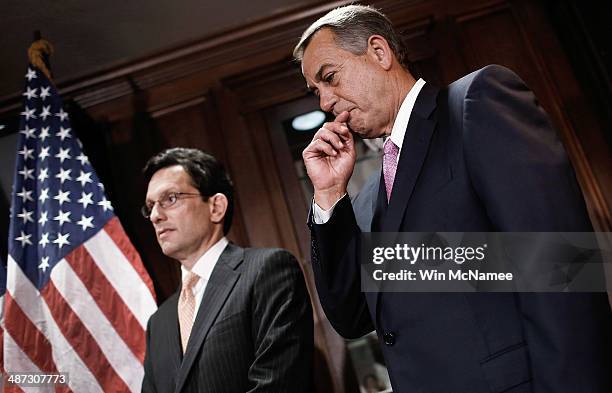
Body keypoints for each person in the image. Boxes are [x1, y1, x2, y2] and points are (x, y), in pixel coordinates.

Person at [294, 4, 611, 393]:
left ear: (379, 52)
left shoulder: (475, 103)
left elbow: (561, 265)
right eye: (317, 91)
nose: (325, 102)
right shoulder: (367, 200)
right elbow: (351, 317)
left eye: (330, 78)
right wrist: (328, 195)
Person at [140, 147, 313, 393]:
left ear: (216, 207)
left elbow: (278, 384)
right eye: (150, 206)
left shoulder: (266, 270)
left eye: (170, 199)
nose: (156, 215)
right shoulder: (158, 323)